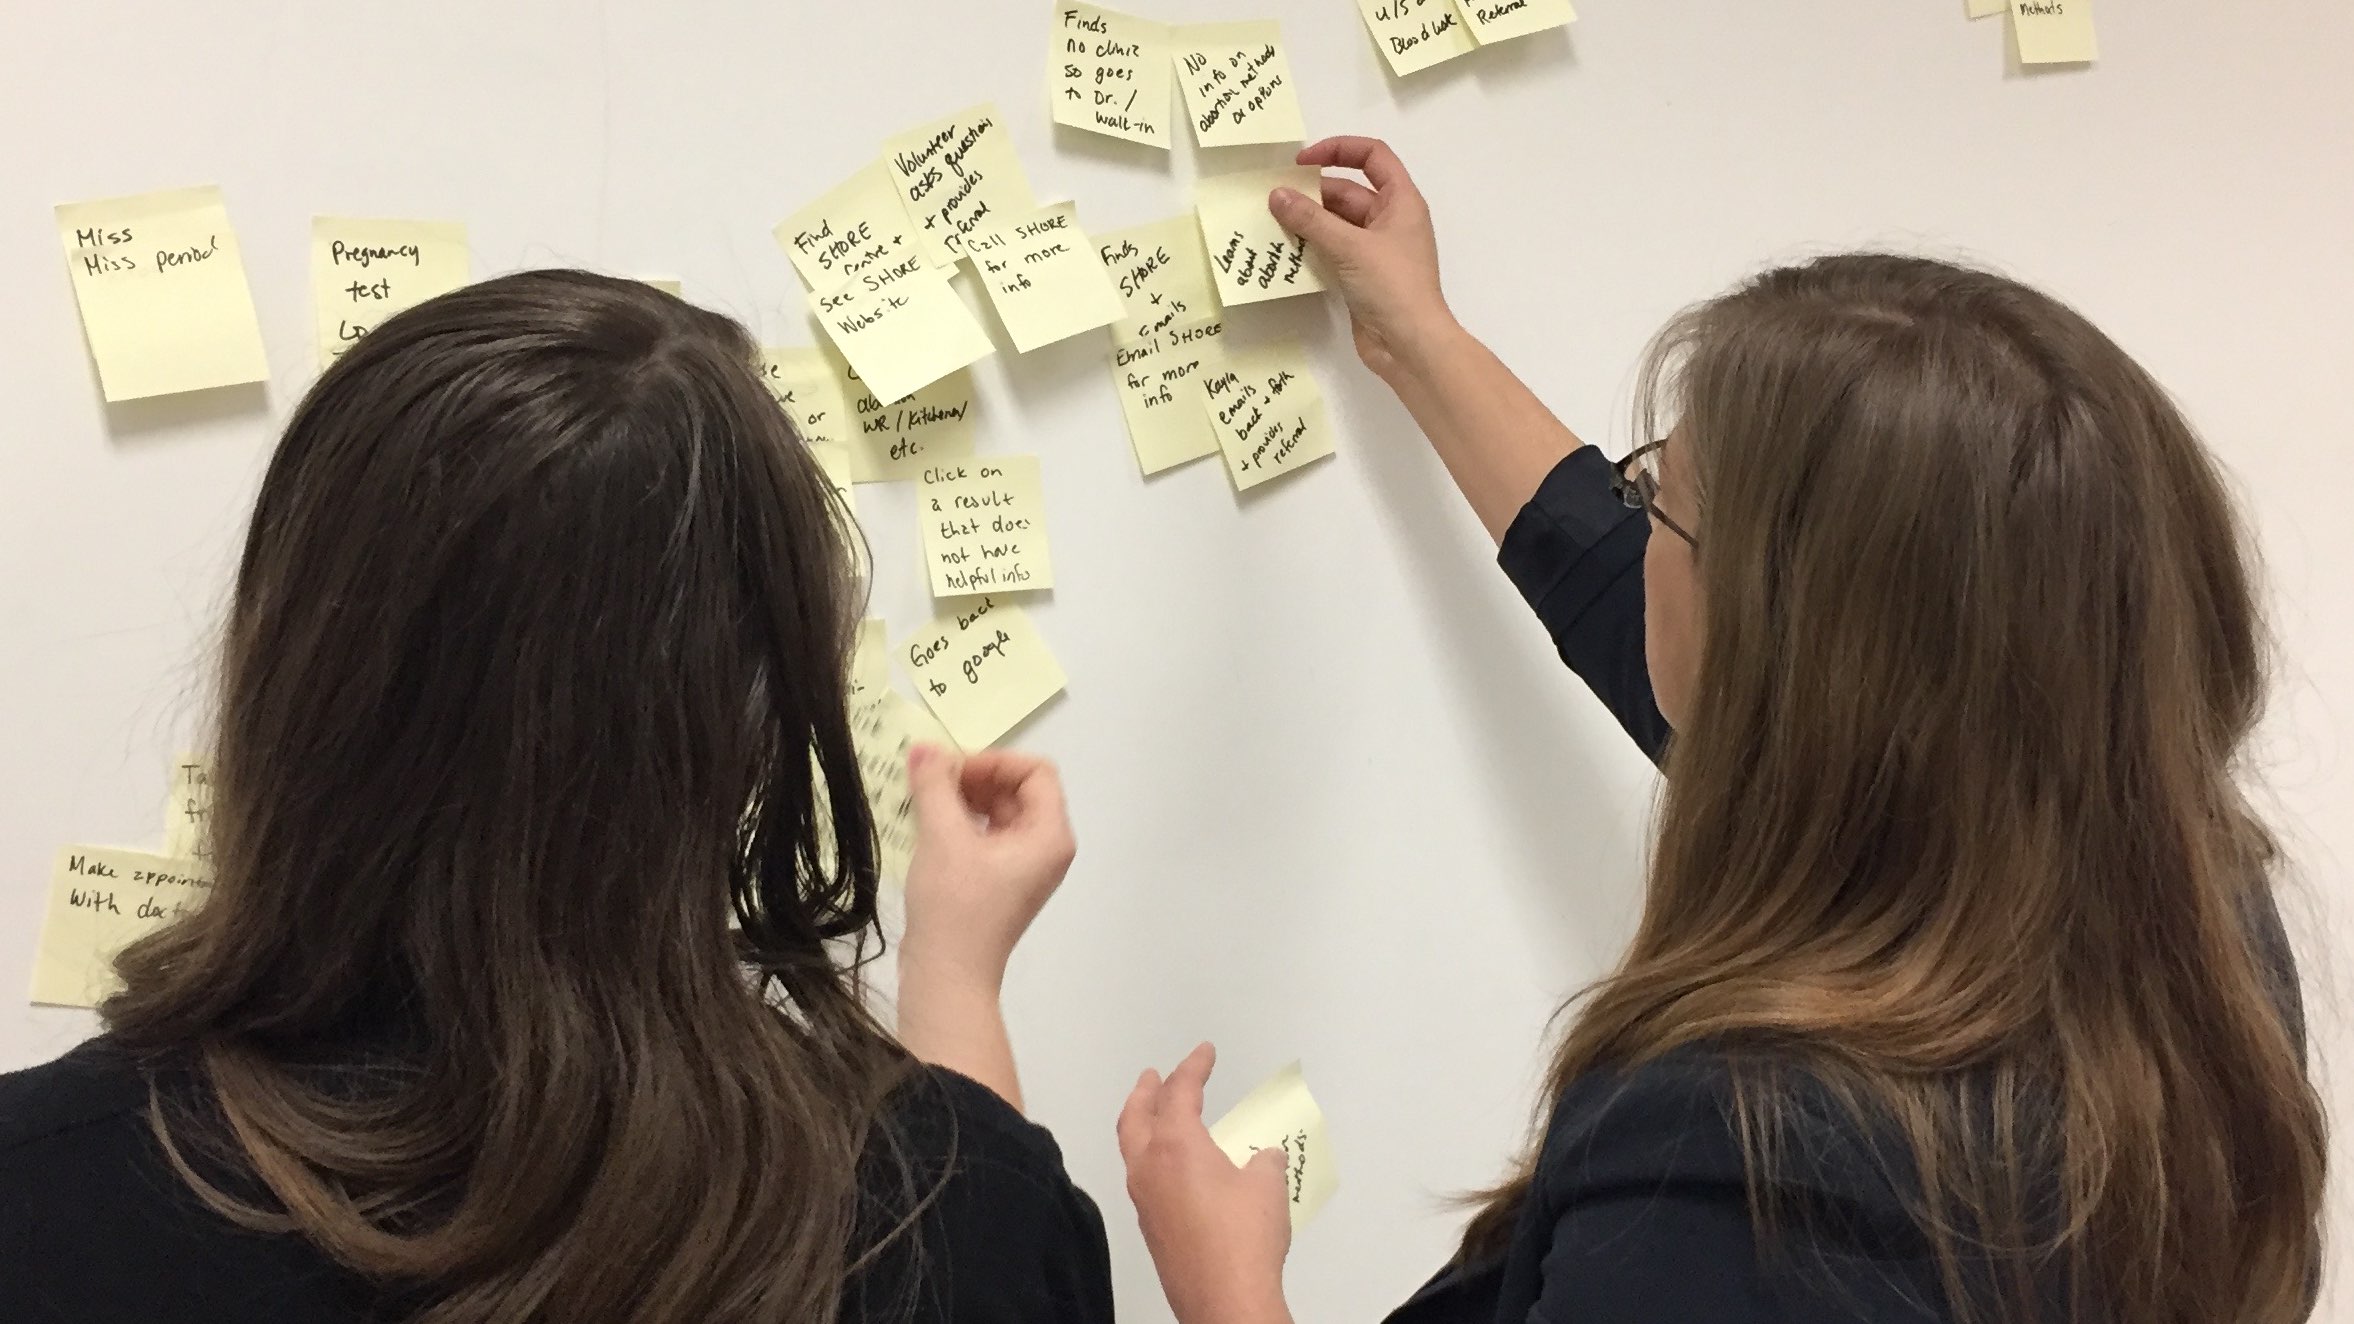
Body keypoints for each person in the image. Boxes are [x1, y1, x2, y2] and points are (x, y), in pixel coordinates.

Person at [1119, 137, 2325, 1324]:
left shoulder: (1738, 1186)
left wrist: (1228, 1286)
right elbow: (1614, 587)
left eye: (1661, 507)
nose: (1635, 533)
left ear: (1786, 646)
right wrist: (1418, 339)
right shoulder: (2178, 916)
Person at [0, 272, 1111, 1324]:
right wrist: (955, 984)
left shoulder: (39, 1197)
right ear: (750, 726)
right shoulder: (970, 1220)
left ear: (287, 667)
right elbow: (965, 1233)